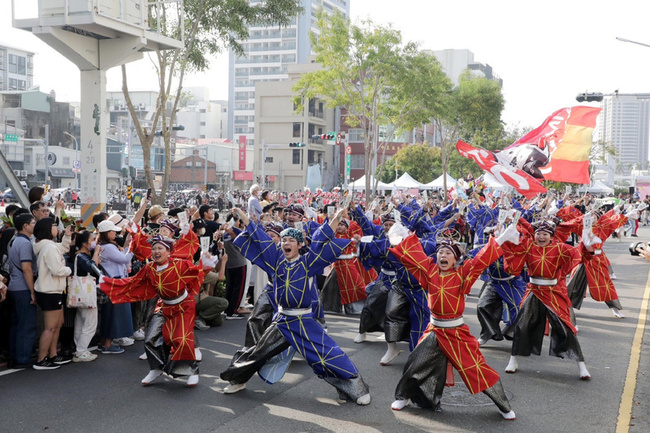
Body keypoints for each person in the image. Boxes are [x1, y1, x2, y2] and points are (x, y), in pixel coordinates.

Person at [220, 207, 371, 405]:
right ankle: (237, 379)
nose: (286, 243)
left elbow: (321, 237)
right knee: (258, 352)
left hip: (304, 320)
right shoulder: (276, 261)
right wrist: (244, 217)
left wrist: (335, 218)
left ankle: (356, 388)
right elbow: (260, 238)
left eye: (291, 240)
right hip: (282, 320)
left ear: (300, 244)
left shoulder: (309, 262)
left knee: (327, 354)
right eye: (283, 240)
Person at [387, 227, 518, 420]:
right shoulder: (430, 270)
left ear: (455, 259)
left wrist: (501, 239)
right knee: (416, 362)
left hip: (456, 332)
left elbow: (480, 260)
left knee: (476, 369)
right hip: (434, 330)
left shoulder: (462, 273)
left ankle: (503, 405)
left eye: (448, 253)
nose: (443, 255)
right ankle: (404, 396)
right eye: (440, 252)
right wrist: (404, 236)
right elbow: (414, 257)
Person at [100, 236, 215, 387]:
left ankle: (192, 371)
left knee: (181, 339)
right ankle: (156, 368)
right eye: (154, 248)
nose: (156, 251)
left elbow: (197, 273)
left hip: (183, 306)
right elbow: (134, 282)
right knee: (150, 338)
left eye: (160, 248)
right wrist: (109, 283)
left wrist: (205, 265)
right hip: (164, 305)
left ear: (168, 251)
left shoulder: (179, 265)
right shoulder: (149, 268)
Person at [500, 218, 591, 380]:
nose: (541, 237)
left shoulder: (560, 248)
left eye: (545, 234)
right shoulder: (528, 247)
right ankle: (513, 360)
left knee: (565, 327)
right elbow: (513, 258)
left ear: (551, 236)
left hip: (553, 292)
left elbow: (579, 254)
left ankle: (581, 365)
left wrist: (588, 244)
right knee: (522, 324)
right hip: (533, 291)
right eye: (538, 234)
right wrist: (509, 238)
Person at [33, 218, 73, 370]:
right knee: (50, 327)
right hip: (49, 291)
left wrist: (67, 236)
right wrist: (69, 270)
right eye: (54, 226)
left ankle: (52, 354)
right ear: (47, 229)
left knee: (57, 324)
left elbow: (62, 248)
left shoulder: (48, 246)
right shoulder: (48, 248)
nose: (56, 228)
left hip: (53, 290)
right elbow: (57, 270)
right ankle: (41, 359)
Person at [6, 213, 38, 368]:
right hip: (23, 288)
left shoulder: (13, 240)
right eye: (33, 222)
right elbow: (27, 268)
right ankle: (23, 358)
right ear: (25, 226)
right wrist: (32, 291)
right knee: (27, 325)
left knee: (16, 324)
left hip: (13, 285)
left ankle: (15, 356)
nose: (35, 225)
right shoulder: (25, 243)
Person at [97, 219, 134, 354]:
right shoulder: (109, 247)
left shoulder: (104, 246)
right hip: (115, 282)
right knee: (113, 315)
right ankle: (107, 345)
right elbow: (124, 259)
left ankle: (104, 343)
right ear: (107, 233)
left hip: (111, 282)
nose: (115, 233)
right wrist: (133, 249)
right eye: (113, 231)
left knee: (110, 314)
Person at [70, 231, 102, 362]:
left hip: (80, 294)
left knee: (80, 323)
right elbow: (93, 268)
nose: (94, 241)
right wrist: (96, 253)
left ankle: (80, 349)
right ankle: (81, 351)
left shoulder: (80, 256)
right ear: (84, 242)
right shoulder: (82, 257)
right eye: (92, 239)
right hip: (87, 293)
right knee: (89, 324)